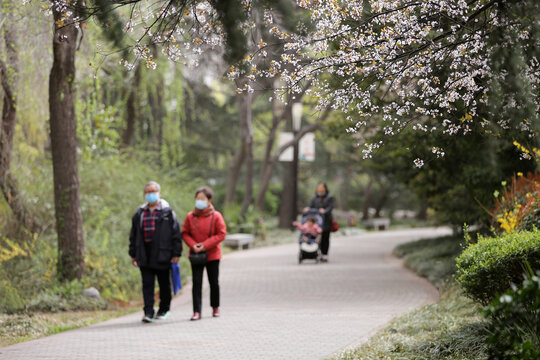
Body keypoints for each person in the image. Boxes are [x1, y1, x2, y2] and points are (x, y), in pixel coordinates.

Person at [129, 181, 182, 323]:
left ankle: (164, 309)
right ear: (144, 194)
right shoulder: (139, 213)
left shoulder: (167, 212)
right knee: (147, 284)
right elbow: (134, 235)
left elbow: (176, 233)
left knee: (164, 284)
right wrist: (133, 253)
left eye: (153, 191)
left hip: (163, 253)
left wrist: (176, 253)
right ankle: (148, 312)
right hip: (144, 254)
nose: (150, 194)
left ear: (159, 193)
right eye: (147, 192)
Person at [182, 186, 226, 321]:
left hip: (212, 255)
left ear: (209, 200)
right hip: (195, 255)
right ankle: (197, 311)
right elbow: (185, 233)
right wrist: (193, 245)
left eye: (202, 199)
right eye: (198, 199)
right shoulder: (190, 216)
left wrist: (205, 245)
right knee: (196, 283)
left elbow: (221, 234)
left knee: (214, 282)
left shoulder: (216, 216)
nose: (199, 201)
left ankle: (215, 307)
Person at [305, 183, 334, 262]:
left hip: (326, 221)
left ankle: (325, 254)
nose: (320, 189)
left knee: (325, 238)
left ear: (325, 188)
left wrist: (325, 211)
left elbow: (330, 207)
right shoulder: (314, 197)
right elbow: (310, 205)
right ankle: (319, 252)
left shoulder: (329, 197)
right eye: (318, 187)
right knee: (318, 237)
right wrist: (307, 209)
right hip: (317, 220)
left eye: (321, 187)